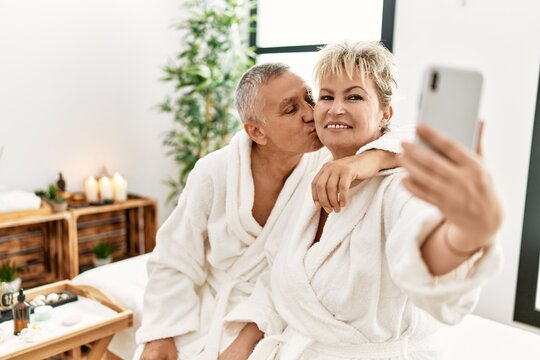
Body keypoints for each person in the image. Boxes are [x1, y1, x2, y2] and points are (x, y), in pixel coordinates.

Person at [224, 41, 503, 359]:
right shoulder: (316, 175)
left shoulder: (400, 186)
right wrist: (241, 345)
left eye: (354, 96)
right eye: (326, 96)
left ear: (385, 113)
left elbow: (426, 252)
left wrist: (467, 233)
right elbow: (281, 280)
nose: (335, 108)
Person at [136, 62, 411, 360]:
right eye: (290, 110)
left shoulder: (325, 164)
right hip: (210, 307)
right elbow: (175, 257)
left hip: (275, 309)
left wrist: (372, 160)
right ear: (257, 131)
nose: (310, 114)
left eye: (310, 98)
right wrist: (160, 335)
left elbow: (408, 136)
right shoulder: (214, 172)